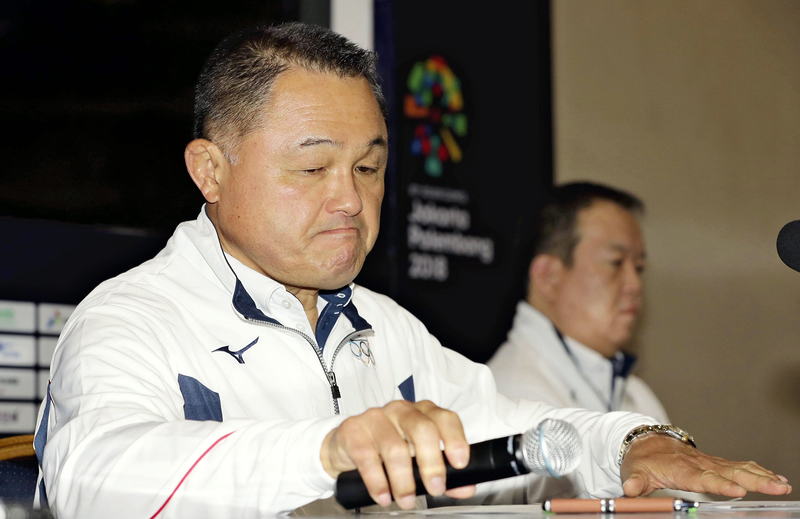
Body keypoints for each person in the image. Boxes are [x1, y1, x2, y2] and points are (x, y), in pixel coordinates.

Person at [32, 22, 790, 519]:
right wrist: (330, 449)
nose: (349, 200)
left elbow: (522, 434)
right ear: (211, 170)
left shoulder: (387, 331)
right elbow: (93, 479)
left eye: (368, 168)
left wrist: (631, 444)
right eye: (313, 168)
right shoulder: (132, 317)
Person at [488, 183, 667, 419]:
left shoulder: (638, 396)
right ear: (548, 276)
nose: (635, 285)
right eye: (616, 262)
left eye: (639, 267)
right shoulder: (512, 397)